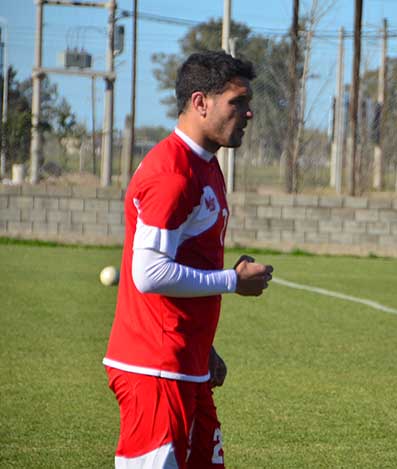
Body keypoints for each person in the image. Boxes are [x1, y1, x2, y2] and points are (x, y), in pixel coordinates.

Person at [103, 50, 274, 468]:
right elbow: (150, 273)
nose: (248, 113)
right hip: (155, 369)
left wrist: (203, 346)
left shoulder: (206, 166)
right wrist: (233, 281)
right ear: (201, 103)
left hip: (185, 362)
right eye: (237, 102)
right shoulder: (173, 172)